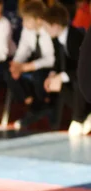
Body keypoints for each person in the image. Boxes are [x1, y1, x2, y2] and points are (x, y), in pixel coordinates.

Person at [41, 2, 91, 135]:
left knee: (77, 83)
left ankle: (79, 117)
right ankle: (84, 115)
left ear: (55, 25)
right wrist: (53, 75)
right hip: (72, 73)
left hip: (84, 74)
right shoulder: (56, 38)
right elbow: (58, 61)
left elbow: (82, 67)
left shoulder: (75, 37)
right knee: (57, 85)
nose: (45, 30)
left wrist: (61, 76)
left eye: (47, 27)